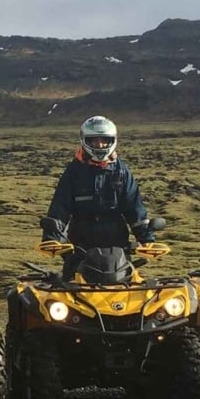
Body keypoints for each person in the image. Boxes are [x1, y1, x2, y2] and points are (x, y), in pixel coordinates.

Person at [41, 116, 155, 278]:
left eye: (104, 141)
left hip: (117, 245)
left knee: (125, 287)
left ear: (112, 141)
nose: (100, 145)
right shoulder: (74, 172)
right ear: (85, 141)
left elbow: (134, 206)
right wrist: (52, 238)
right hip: (80, 244)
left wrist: (146, 237)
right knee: (71, 287)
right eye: (94, 141)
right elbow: (61, 206)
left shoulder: (121, 172)